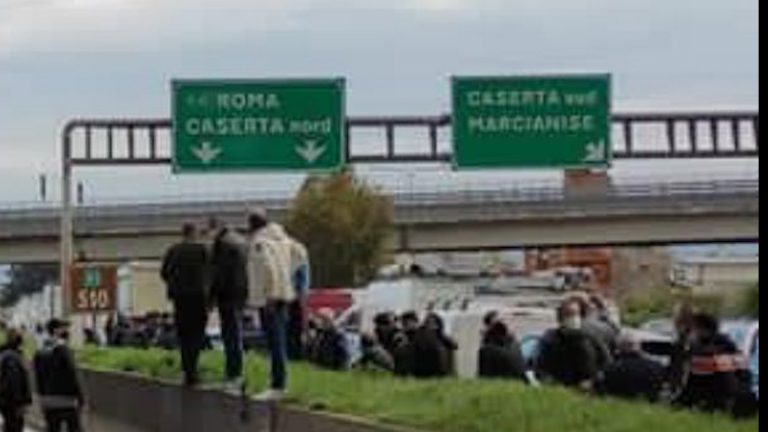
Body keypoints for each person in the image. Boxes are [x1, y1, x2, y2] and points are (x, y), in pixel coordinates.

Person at [246, 210, 296, 400]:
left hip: (270, 298)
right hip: (283, 294)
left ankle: (278, 385)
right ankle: (279, 383)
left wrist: (269, 295)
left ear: (252, 225)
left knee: (274, 342)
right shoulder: (283, 239)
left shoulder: (260, 242)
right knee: (280, 341)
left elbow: (267, 269)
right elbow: (297, 258)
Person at [675, 313, 757, 418]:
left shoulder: (707, 352)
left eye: (692, 329)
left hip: (723, 400)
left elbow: (693, 386)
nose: (690, 332)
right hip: (735, 398)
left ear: (703, 330)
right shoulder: (726, 345)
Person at [161, 222, 210, 387]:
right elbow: (211, 273)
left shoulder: (173, 251)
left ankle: (186, 369)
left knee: (184, 334)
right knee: (197, 334)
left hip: (180, 299)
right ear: (194, 233)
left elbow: (164, 273)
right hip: (198, 298)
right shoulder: (202, 251)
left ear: (183, 234)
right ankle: (193, 370)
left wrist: (175, 284)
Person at [207, 218, 249, 389]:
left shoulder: (222, 244)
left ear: (215, 228)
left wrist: (211, 298)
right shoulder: (241, 241)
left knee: (230, 334)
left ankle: (233, 373)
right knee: (236, 332)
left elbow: (218, 274)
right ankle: (236, 372)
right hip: (241, 293)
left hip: (227, 294)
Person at [33, 319, 84, 432]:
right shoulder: (64, 350)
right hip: (67, 401)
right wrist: (81, 397)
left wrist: (42, 397)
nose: (66, 330)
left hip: (48, 401)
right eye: (63, 328)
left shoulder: (40, 352)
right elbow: (72, 374)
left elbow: (38, 377)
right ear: (56, 331)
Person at [536, 301, 599, 390]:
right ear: (561, 318)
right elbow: (539, 366)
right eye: (569, 314)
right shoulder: (550, 339)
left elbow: (605, 362)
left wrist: (593, 381)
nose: (573, 318)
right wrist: (546, 379)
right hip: (557, 388)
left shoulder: (591, 337)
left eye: (576, 314)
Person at [595, 332, 666, 402]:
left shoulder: (611, 369)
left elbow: (600, 388)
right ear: (639, 347)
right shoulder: (656, 367)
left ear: (619, 348)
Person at [0, 329, 32, 432]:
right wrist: (19, 403)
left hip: (6, 401)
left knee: (10, 426)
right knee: (14, 427)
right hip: (12, 402)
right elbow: (14, 382)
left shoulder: (6, 354)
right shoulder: (12, 357)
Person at [410, 313, 455, 378]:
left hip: (438, 367)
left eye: (434, 324)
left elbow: (453, 345)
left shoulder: (440, 335)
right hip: (424, 366)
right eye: (430, 323)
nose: (432, 326)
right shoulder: (421, 333)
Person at [286, 237, 310, 360]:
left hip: (292, 297)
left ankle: (294, 355)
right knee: (296, 330)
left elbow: (302, 280)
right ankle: (296, 355)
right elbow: (304, 280)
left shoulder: (292, 252)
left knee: (292, 330)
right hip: (296, 297)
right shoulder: (300, 251)